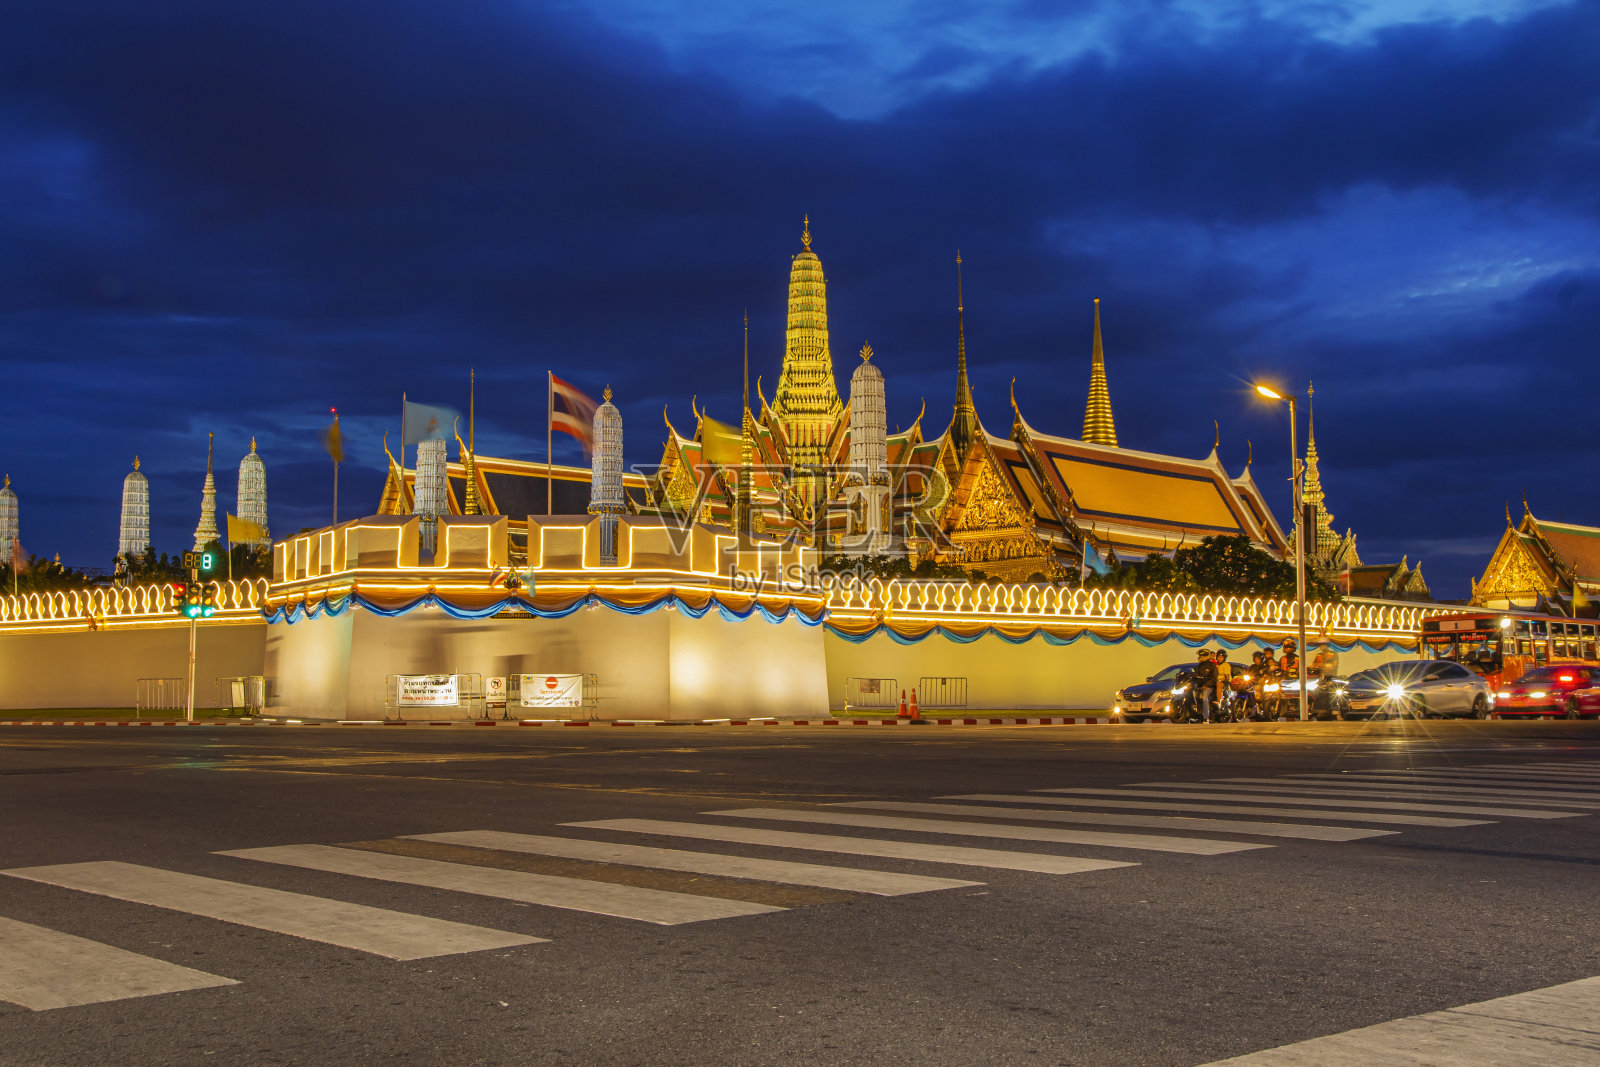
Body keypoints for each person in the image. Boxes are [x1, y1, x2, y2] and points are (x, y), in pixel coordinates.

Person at [1192, 649, 1218, 723]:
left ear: (1206, 656)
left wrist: (1206, 685)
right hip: (1199, 686)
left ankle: (1205, 717)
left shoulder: (1212, 665)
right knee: (1193, 697)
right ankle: (1196, 715)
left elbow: (1214, 678)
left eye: (1202, 655)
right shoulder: (1200, 665)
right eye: (1200, 655)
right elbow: (1197, 675)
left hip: (1209, 687)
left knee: (1204, 698)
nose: (1200, 657)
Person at [1212, 650, 1233, 720]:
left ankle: (1219, 702)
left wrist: (1219, 679)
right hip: (1214, 681)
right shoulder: (1214, 665)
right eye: (1218, 657)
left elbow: (1226, 676)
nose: (1220, 659)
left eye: (1221, 657)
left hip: (1224, 683)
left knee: (1219, 684)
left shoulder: (1226, 665)